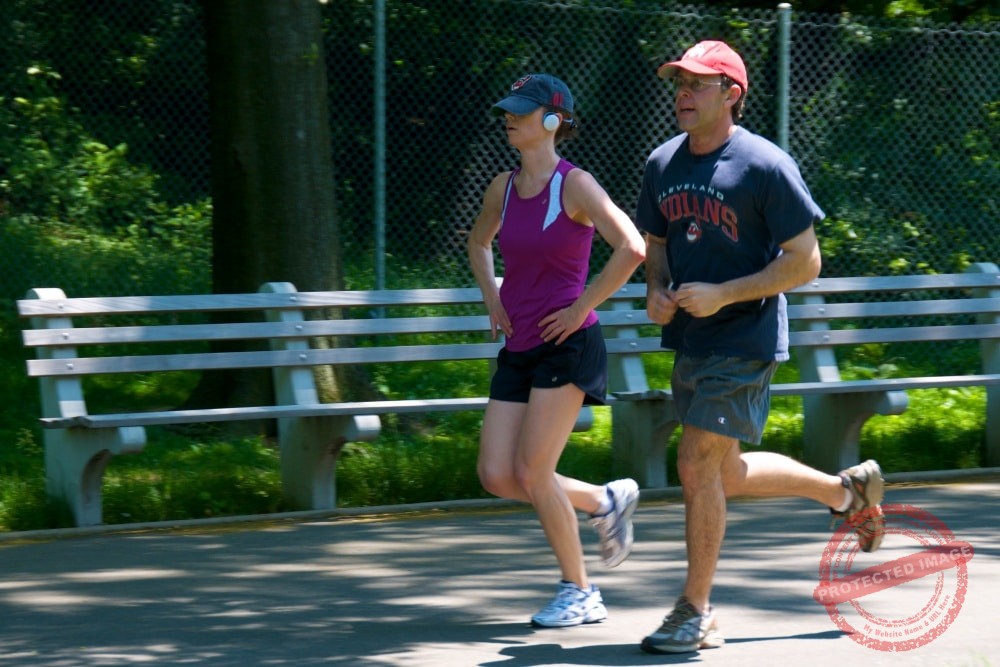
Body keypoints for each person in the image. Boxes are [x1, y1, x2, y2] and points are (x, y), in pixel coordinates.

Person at [633, 41, 886, 654]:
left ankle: (696, 610)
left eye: (697, 83)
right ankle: (845, 492)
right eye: (678, 83)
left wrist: (725, 293)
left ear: (732, 94)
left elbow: (806, 262)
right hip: (691, 338)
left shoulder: (765, 166)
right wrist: (658, 289)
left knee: (694, 463)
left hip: (744, 340)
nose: (682, 93)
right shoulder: (662, 163)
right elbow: (656, 243)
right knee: (721, 472)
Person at [467, 73, 646, 628]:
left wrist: (580, 307)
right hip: (520, 343)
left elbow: (633, 247)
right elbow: (478, 243)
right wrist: (493, 297)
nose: (509, 118)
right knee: (498, 475)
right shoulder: (503, 185)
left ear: (551, 120)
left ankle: (581, 591)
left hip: (569, 345)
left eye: (521, 111)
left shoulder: (576, 185)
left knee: (534, 471)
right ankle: (602, 501)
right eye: (508, 110)